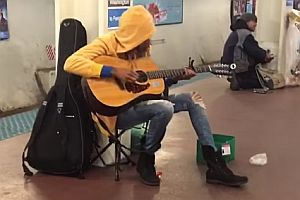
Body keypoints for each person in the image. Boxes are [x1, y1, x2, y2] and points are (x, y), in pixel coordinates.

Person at [64, 5, 248, 187]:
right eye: (146, 36)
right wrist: (111, 71)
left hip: (142, 104)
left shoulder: (143, 52)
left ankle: (213, 162)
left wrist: (175, 78)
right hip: (115, 113)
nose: (149, 41)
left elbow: (152, 88)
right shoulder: (107, 43)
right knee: (164, 107)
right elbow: (70, 63)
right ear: (135, 35)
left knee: (193, 99)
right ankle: (147, 158)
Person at [222, 13, 274, 90]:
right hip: (241, 70)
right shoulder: (244, 33)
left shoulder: (235, 33)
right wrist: (265, 56)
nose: (256, 24)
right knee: (266, 81)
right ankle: (240, 81)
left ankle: (236, 79)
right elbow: (254, 50)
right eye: (254, 21)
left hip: (231, 67)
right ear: (247, 22)